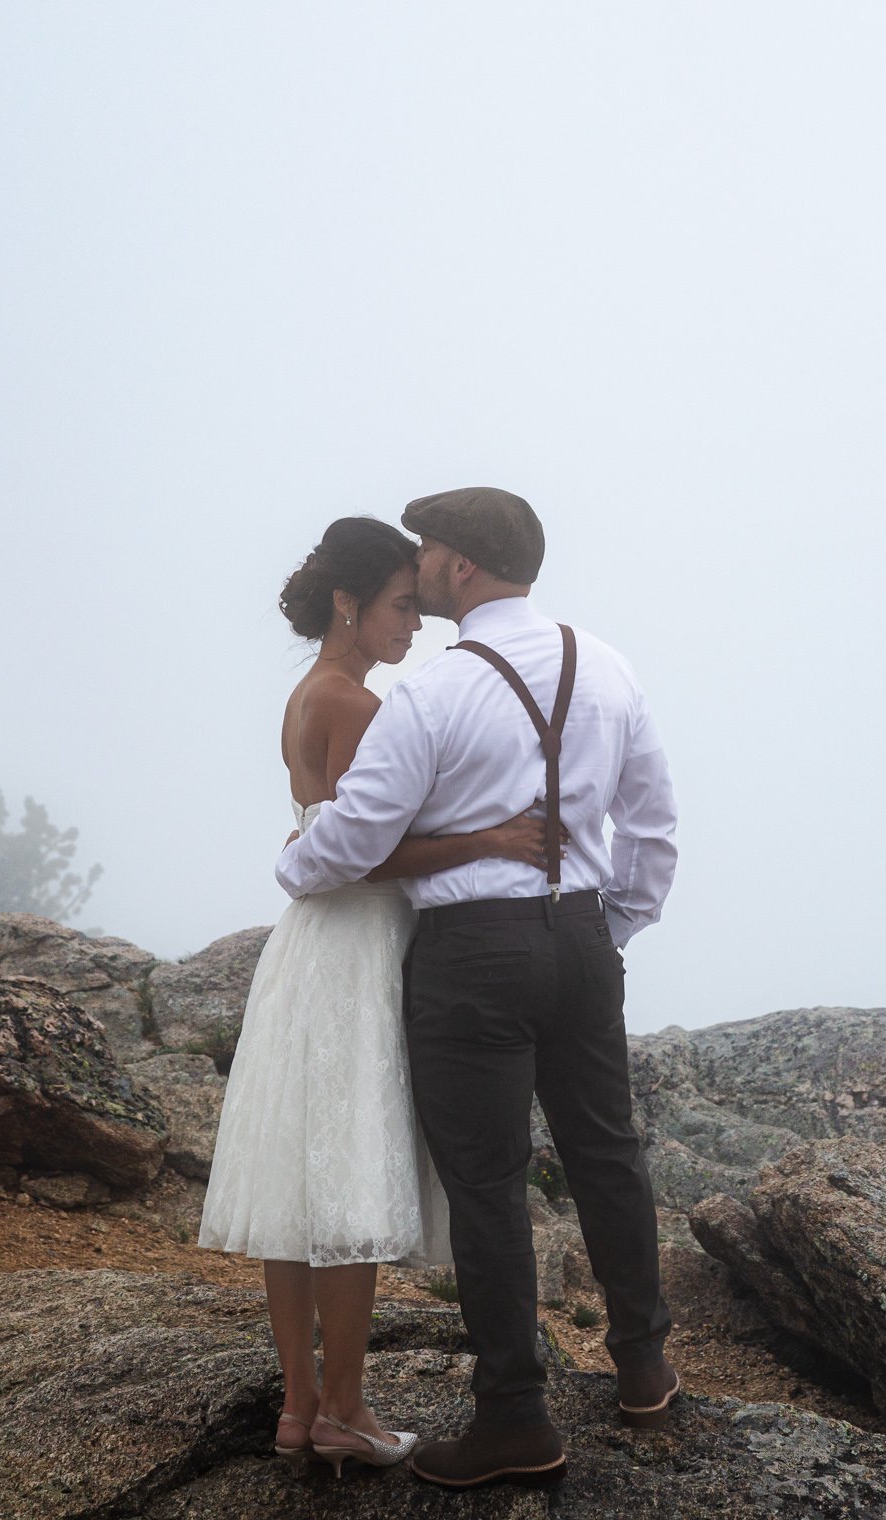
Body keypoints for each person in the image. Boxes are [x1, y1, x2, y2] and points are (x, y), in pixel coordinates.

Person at [277, 486, 679, 1489]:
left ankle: (514, 1417)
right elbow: (654, 828)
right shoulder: (608, 664)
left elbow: (356, 836)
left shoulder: (432, 691)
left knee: (490, 1186)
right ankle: (644, 1366)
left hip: (469, 951)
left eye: (427, 558)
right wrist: (602, 927)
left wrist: (294, 863)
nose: (418, 574)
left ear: (459, 567)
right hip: (582, 935)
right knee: (606, 1153)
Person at [198, 515, 562, 1475]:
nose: (417, 624)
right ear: (349, 606)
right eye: (403, 607)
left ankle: (299, 1406)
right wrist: (492, 841)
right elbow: (369, 856)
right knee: (346, 1173)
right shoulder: (355, 704)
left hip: (308, 949)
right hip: (356, 950)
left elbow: (326, 840)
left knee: (296, 1184)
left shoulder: (305, 695)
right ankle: (347, 1408)